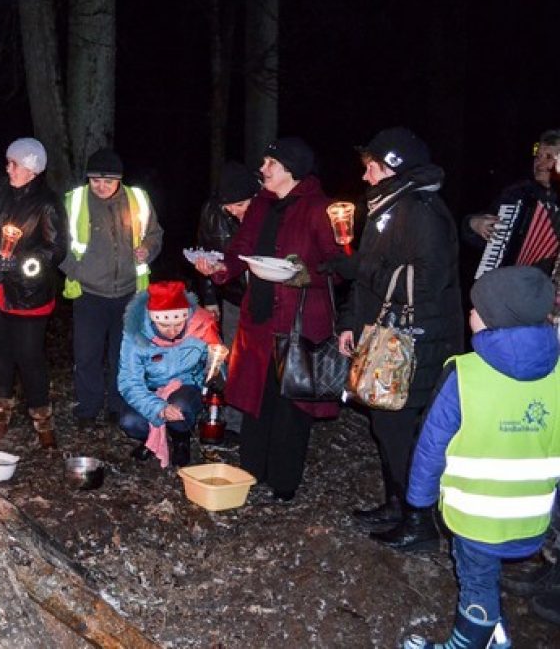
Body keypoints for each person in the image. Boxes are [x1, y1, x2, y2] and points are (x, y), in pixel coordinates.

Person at [400, 266, 559, 649]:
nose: (469, 314)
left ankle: (467, 642)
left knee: (477, 581)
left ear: (490, 320)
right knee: (486, 577)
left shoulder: (465, 375)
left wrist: (418, 500)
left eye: (474, 309)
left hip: (475, 514)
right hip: (534, 512)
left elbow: (432, 444)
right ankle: (496, 632)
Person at [325, 127, 464, 550]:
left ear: (393, 168)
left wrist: (356, 270)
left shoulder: (421, 211)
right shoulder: (387, 206)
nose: (365, 176)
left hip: (418, 341)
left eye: (372, 167)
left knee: (400, 426)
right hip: (383, 335)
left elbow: (425, 282)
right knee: (385, 424)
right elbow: (373, 276)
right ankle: (396, 502)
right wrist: (350, 320)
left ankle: (419, 522)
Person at [195, 137, 345, 501]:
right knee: (257, 398)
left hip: (301, 323)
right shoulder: (262, 206)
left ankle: (283, 483)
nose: (262, 170)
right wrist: (218, 268)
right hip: (259, 320)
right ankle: (252, 471)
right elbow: (241, 250)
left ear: (290, 170)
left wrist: (300, 274)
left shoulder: (319, 209)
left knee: (292, 404)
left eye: (269, 164)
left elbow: (339, 267)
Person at [0, 138, 65, 448]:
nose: (8, 168)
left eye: (15, 164)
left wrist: (19, 263)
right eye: (8, 162)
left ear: (32, 170)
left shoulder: (47, 203)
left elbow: (56, 250)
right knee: (1, 354)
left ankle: (43, 423)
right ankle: (0, 416)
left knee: (29, 357)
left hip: (28, 293)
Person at [59, 148, 163, 430]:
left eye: (108, 181)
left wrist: (148, 249)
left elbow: (155, 234)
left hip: (129, 293)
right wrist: (77, 270)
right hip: (89, 293)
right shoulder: (75, 201)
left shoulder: (138, 200)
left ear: (119, 180)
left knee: (122, 354)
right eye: (95, 180)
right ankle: (88, 408)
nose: (101, 186)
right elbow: (58, 242)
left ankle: (118, 406)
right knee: (87, 354)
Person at [117, 280, 221, 467]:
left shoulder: (201, 325)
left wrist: (217, 366)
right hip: (151, 388)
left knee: (180, 405)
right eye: (165, 326)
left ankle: (181, 438)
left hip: (188, 384)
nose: (173, 331)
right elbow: (129, 381)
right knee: (129, 421)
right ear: (153, 318)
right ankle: (151, 438)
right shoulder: (136, 333)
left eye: (179, 324)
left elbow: (217, 364)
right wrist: (158, 408)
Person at [194, 160, 261, 440]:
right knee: (234, 358)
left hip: (265, 298)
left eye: (240, 204)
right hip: (232, 295)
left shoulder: (268, 211)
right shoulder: (213, 212)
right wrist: (209, 297)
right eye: (228, 206)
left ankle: (260, 420)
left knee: (261, 360)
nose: (234, 211)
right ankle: (233, 422)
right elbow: (204, 252)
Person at [462, 129, 559, 273]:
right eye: (537, 157)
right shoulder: (517, 194)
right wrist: (473, 225)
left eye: (549, 157)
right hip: (515, 283)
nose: (540, 163)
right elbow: (488, 239)